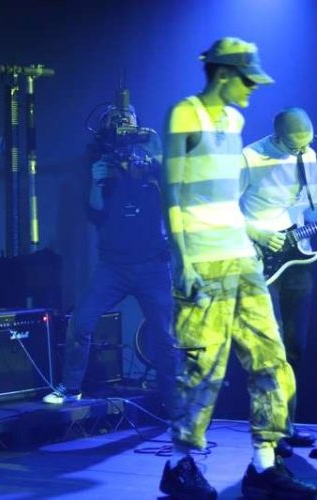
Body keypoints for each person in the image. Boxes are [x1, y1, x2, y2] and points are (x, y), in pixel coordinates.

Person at [159, 37, 316, 499]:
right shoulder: (185, 114)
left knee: (272, 359)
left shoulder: (235, 119)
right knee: (202, 367)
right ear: (225, 74)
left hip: (243, 258)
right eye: (249, 80)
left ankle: (264, 465)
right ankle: (178, 466)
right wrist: (182, 259)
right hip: (202, 259)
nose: (254, 88)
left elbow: (227, 199)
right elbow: (171, 192)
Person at [43, 96, 175, 417]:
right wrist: (96, 181)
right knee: (81, 322)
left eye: (128, 119)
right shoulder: (100, 163)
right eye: (118, 120)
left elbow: (173, 193)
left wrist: (154, 150)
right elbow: (96, 214)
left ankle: (174, 399)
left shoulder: (152, 161)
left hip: (153, 264)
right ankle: (70, 388)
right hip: (113, 266)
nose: (123, 125)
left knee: (164, 333)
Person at [241, 107, 317, 456]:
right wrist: (256, 232)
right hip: (260, 261)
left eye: (307, 143)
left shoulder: (310, 157)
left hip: (298, 259)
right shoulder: (250, 157)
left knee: (295, 346)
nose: (302, 150)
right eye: (293, 145)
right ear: (276, 136)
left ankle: (286, 426)